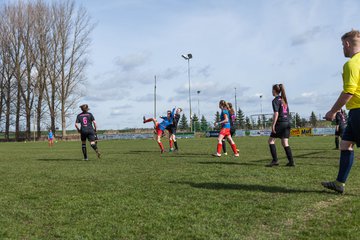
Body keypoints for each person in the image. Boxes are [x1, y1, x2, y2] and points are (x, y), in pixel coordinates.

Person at [322, 30, 360, 194]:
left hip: (359, 110)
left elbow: (349, 92)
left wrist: (333, 111)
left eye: (342, 46)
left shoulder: (351, 64)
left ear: (347, 44)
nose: (342, 49)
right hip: (354, 112)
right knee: (345, 145)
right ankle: (339, 183)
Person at [267, 84, 295, 167]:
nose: (271, 91)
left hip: (280, 123)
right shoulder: (284, 100)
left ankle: (275, 160)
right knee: (285, 142)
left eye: (272, 90)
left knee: (271, 141)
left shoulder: (275, 100)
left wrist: (273, 125)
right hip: (287, 122)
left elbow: (276, 113)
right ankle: (291, 162)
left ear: (274, 91)